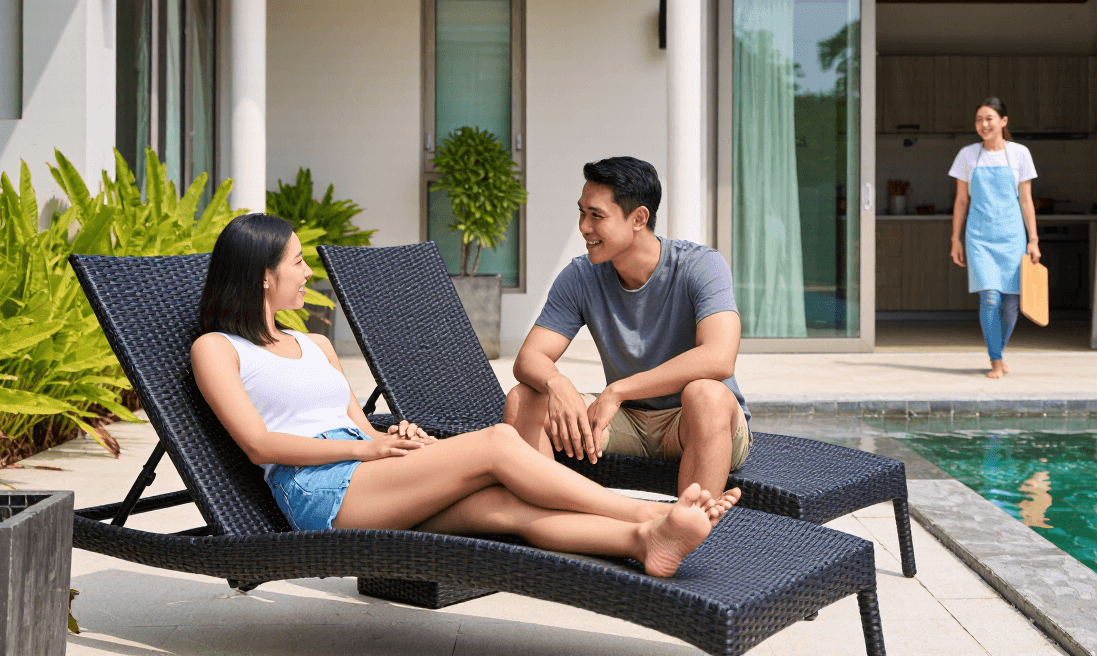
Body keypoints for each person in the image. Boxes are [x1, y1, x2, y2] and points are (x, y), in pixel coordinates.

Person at [190, 213, 739, 578]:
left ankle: (646, 541)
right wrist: (365, 450)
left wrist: (391, 439)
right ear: (263, 277)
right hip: (320, 493)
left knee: (509, 510)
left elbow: (359, 425)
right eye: (297, 262)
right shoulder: (218, 348)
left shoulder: (313, 345)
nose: (307, 272)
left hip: (371, 478)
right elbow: (260, 444)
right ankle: (650, 512)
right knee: (500, 442)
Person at [503, 157, 750, 497]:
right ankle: (550, 522)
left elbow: (718, 358)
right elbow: (529, 358)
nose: (583, 227)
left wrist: (619, 390)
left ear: (638, 218)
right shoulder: (580, 276)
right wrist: (557, 383)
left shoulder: (701, 266)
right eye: (582, 212)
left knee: (706, 393)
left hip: (695, 422)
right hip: (627, 422)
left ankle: (690, 530)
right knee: (523, 399)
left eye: (596, 215)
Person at [948, 98, 1041, 380]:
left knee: (1012, 302)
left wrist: (1033, 240)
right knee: (990, 297)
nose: (983, 124)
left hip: (1012, 236)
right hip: (979, 237)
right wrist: (956, 239)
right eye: (978, 119)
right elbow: (961, 200)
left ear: (1004, 121)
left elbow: (1026, 200)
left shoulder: (1020, 154)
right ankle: (996, 360)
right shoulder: (967, 155)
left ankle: (999, 348)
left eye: (989, 118)